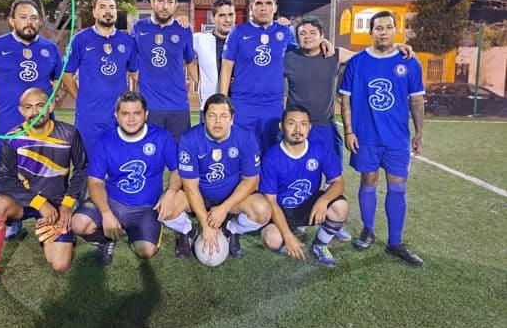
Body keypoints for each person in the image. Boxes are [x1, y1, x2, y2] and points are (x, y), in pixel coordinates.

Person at [284, 16, 414, 242]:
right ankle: (298, 218)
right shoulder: (288, 58)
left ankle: (334, 220)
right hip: (297, 128)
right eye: (302, 33)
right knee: (296, 174)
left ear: (322, 36)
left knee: (332, 176)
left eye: (313, 33)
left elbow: (369, 56)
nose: (308, 37)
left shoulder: (334, 54)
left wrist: (396, 48)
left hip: (324, 127)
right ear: (297, 38)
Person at [0, 88, 87, 301]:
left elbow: (82, 169)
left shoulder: (69, 133)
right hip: (25, 202)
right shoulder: (12, 138)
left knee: (60, 264)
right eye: (28, 107)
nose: (35, 112)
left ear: (51, 106)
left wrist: (67, 204)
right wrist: (38, 202)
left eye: (40, 105)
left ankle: (48, 228)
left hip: (57, 204)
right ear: (21, 110)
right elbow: (2, 180)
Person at [339, 10, 425, 267]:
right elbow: (346, 100)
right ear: (371, 32)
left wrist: (419, 133)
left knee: (398, 186)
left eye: (388, 27)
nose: (384, 32)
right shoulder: (357, 62)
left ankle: (395, 242)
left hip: (397, 139)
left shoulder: (410, 62)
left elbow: (417, 101)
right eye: (379, 28)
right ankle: (368, 231)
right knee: (369, 180)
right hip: (365, 137)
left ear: (396, 30)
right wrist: (349, 131)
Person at [0, 0, 63, 239]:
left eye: (34, 18)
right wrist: (5, 101)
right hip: (9, 125)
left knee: (44, 171)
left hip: (43, 126)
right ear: (12, 20)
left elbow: (58, 79)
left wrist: (52, 100)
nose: (29, 22)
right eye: (23, 17)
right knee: (10, 173)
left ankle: (45, 218)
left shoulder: (50, 48)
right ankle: (13, 220)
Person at [72, 91, 181, 266]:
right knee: (78, 224)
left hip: (146, 206)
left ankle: (132, 230)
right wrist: (106, 213)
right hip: (112, 202)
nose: (131, 119)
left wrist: (171, 191)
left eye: (137, 113)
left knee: (146, 251)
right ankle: (106, 240)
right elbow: (95, 181)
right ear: (116, 115)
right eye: (125, 113)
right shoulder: (105, 141)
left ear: (146, 114)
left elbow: (177, 170)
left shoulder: (161, 137)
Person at [219, 0, 330, 152]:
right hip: (243, 104)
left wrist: (323, 41)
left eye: (268, 3)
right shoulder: (238, 32)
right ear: (251, 7)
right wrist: (222, 101)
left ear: (275, 7)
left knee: (271, 151)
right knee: (241, 151)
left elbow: (306, 46)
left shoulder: (285, 32)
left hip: (272, 105)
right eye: (258, 3)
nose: (263, 8)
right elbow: (227, 67)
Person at [164, 93, 271, 259]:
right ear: (204, 118)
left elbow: (251, 181)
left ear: (232, 119)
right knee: (166, 208)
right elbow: (190, 187)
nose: (218, 121)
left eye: (223, 116)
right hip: (198, 197)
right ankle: (188, 231)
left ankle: (231, 229)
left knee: (262, 210)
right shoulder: (190, 139)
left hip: (231, 198)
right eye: (212, 115)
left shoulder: (246, 138)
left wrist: (224, 208)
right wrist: (205, 225)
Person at [259, 106, 348, 267]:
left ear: (309, 127)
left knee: (340, 206)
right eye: (291, 123)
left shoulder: (319, 149)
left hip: (309, 204)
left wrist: (323, 201)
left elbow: (339, 183)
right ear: (282, 126)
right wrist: (287, 236)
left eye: (303, 124)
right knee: (271, 239)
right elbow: (271, 202)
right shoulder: (272, 158)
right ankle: (288, 240)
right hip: (281, 209)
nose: (298, 129)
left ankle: (319, 245)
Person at [62, 0, 138, 156]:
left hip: (118, 117)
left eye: (112, 7)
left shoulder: (127, 42)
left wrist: (131, 101)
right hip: (89, 118)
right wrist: (80, 97)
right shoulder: (80, 39)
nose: (108, 11)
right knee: (88, 165)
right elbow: (66, 74)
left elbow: (135, 74)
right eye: (102, 7)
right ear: (94, 12)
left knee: (118, 164)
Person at [130, 0, 198, 141]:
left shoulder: (184, 30)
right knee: (149, 154)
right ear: (152, 2)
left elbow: (191, 64)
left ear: (175, 5)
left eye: (170, 1)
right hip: (149, 108)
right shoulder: (139, 28)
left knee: (179, 154)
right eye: (160, 0)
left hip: (178, 108)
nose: (165, 6)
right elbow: (130, 64)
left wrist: (204, 89)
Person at [193, 0, 235, 110]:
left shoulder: (245, 41)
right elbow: (177, 44)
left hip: (239, 108)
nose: (227, 20)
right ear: (213, 18)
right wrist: (180, 22)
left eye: (230, 15)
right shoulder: (200, 40)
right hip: (209, 109)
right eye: (222, 15)